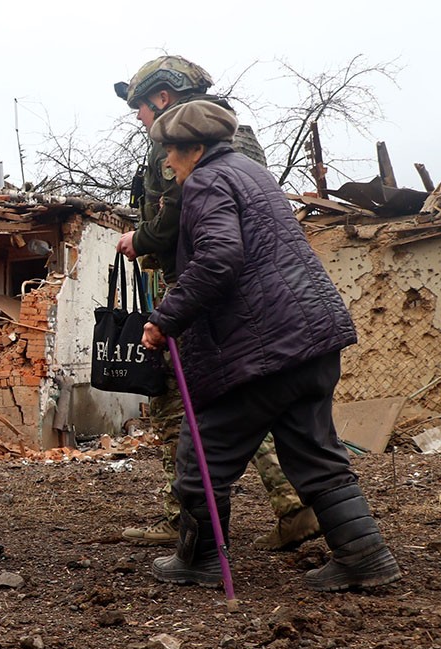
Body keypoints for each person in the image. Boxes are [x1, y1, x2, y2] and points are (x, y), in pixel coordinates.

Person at [140, 100, 402, 592]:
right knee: (313, 450)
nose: (167, 164)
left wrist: (164, 320)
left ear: (195, 149)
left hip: (265, 346)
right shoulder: (251, 174)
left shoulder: (206, 181)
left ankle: (198, 561)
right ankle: (365, 556)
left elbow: (219, 259)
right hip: (311, 338)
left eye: (171, 153)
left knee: (203, 451)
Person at [112, 55, 318, 552]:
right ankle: (291, 503)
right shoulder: (235, 139)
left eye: (140, 107)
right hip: (234, 291)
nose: (140, 119)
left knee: (179, 400)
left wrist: (139, 239)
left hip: (196, 287)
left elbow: (180, 220)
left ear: (162, 98)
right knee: (236, 399)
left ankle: (191, 521)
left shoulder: (183, 144)